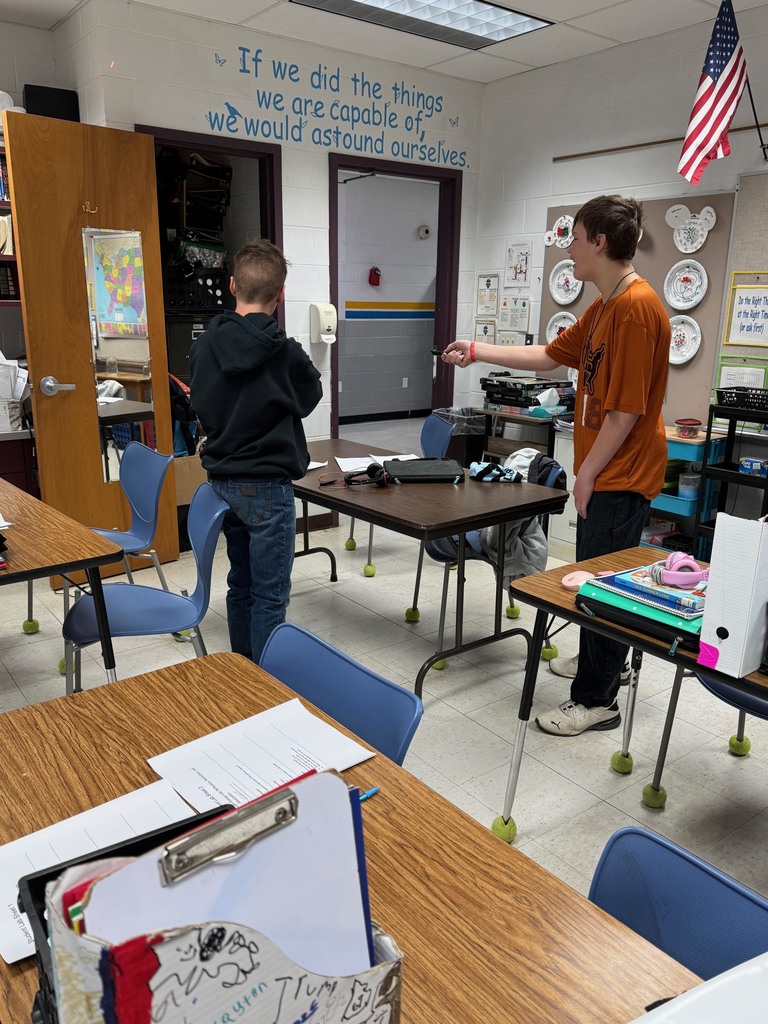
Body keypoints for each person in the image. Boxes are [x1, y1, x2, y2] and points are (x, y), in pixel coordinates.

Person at [442, 195, 670, 736]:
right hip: (605, 467)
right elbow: (550, 355)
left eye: (576, 238)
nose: (569, 249)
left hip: (620, 473)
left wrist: (586, 473)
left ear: (600, 243)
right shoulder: (606, 303)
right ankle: (604, 661)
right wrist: (477, 349)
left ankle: (597, 700)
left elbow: (625, 413)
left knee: (604, 581)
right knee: (596, 572)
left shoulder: (636, 309)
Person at [190, 239, 323, 663]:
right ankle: (265, 684)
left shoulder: (204, 344)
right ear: (280, 294)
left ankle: (244, 670)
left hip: (222, 483)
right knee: (270, 595)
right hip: (267, 486)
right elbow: (309, 397)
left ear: (232, 285)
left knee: (241, 584)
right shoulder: (286, 352)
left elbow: (200, 402)